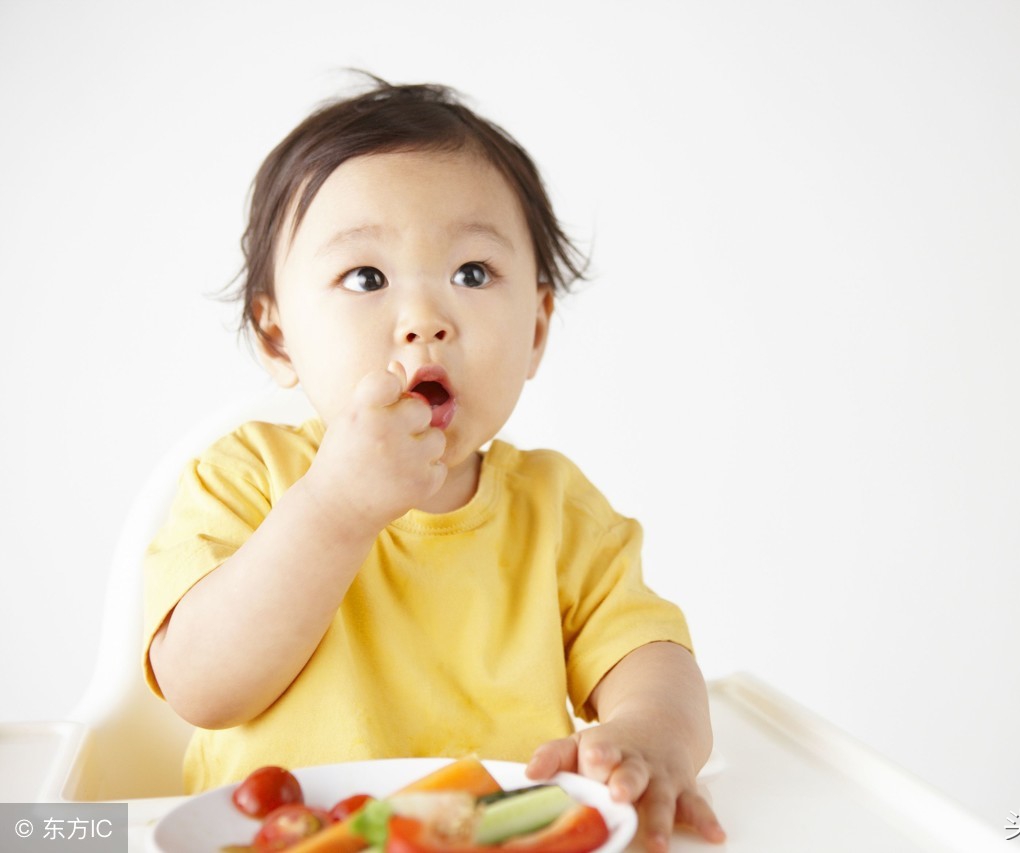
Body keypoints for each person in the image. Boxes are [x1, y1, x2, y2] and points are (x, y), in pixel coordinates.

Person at [143, 75, 724, 852]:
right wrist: (336, 507)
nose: (424, 320)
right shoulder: (245, 476)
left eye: (472, 273)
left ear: (537, 330)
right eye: (366, 277)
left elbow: (652, 656)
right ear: (277, 336)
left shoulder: (556, 508)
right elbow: (200, 685)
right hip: (289, 839)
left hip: (496, 838)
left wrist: (650, 733)